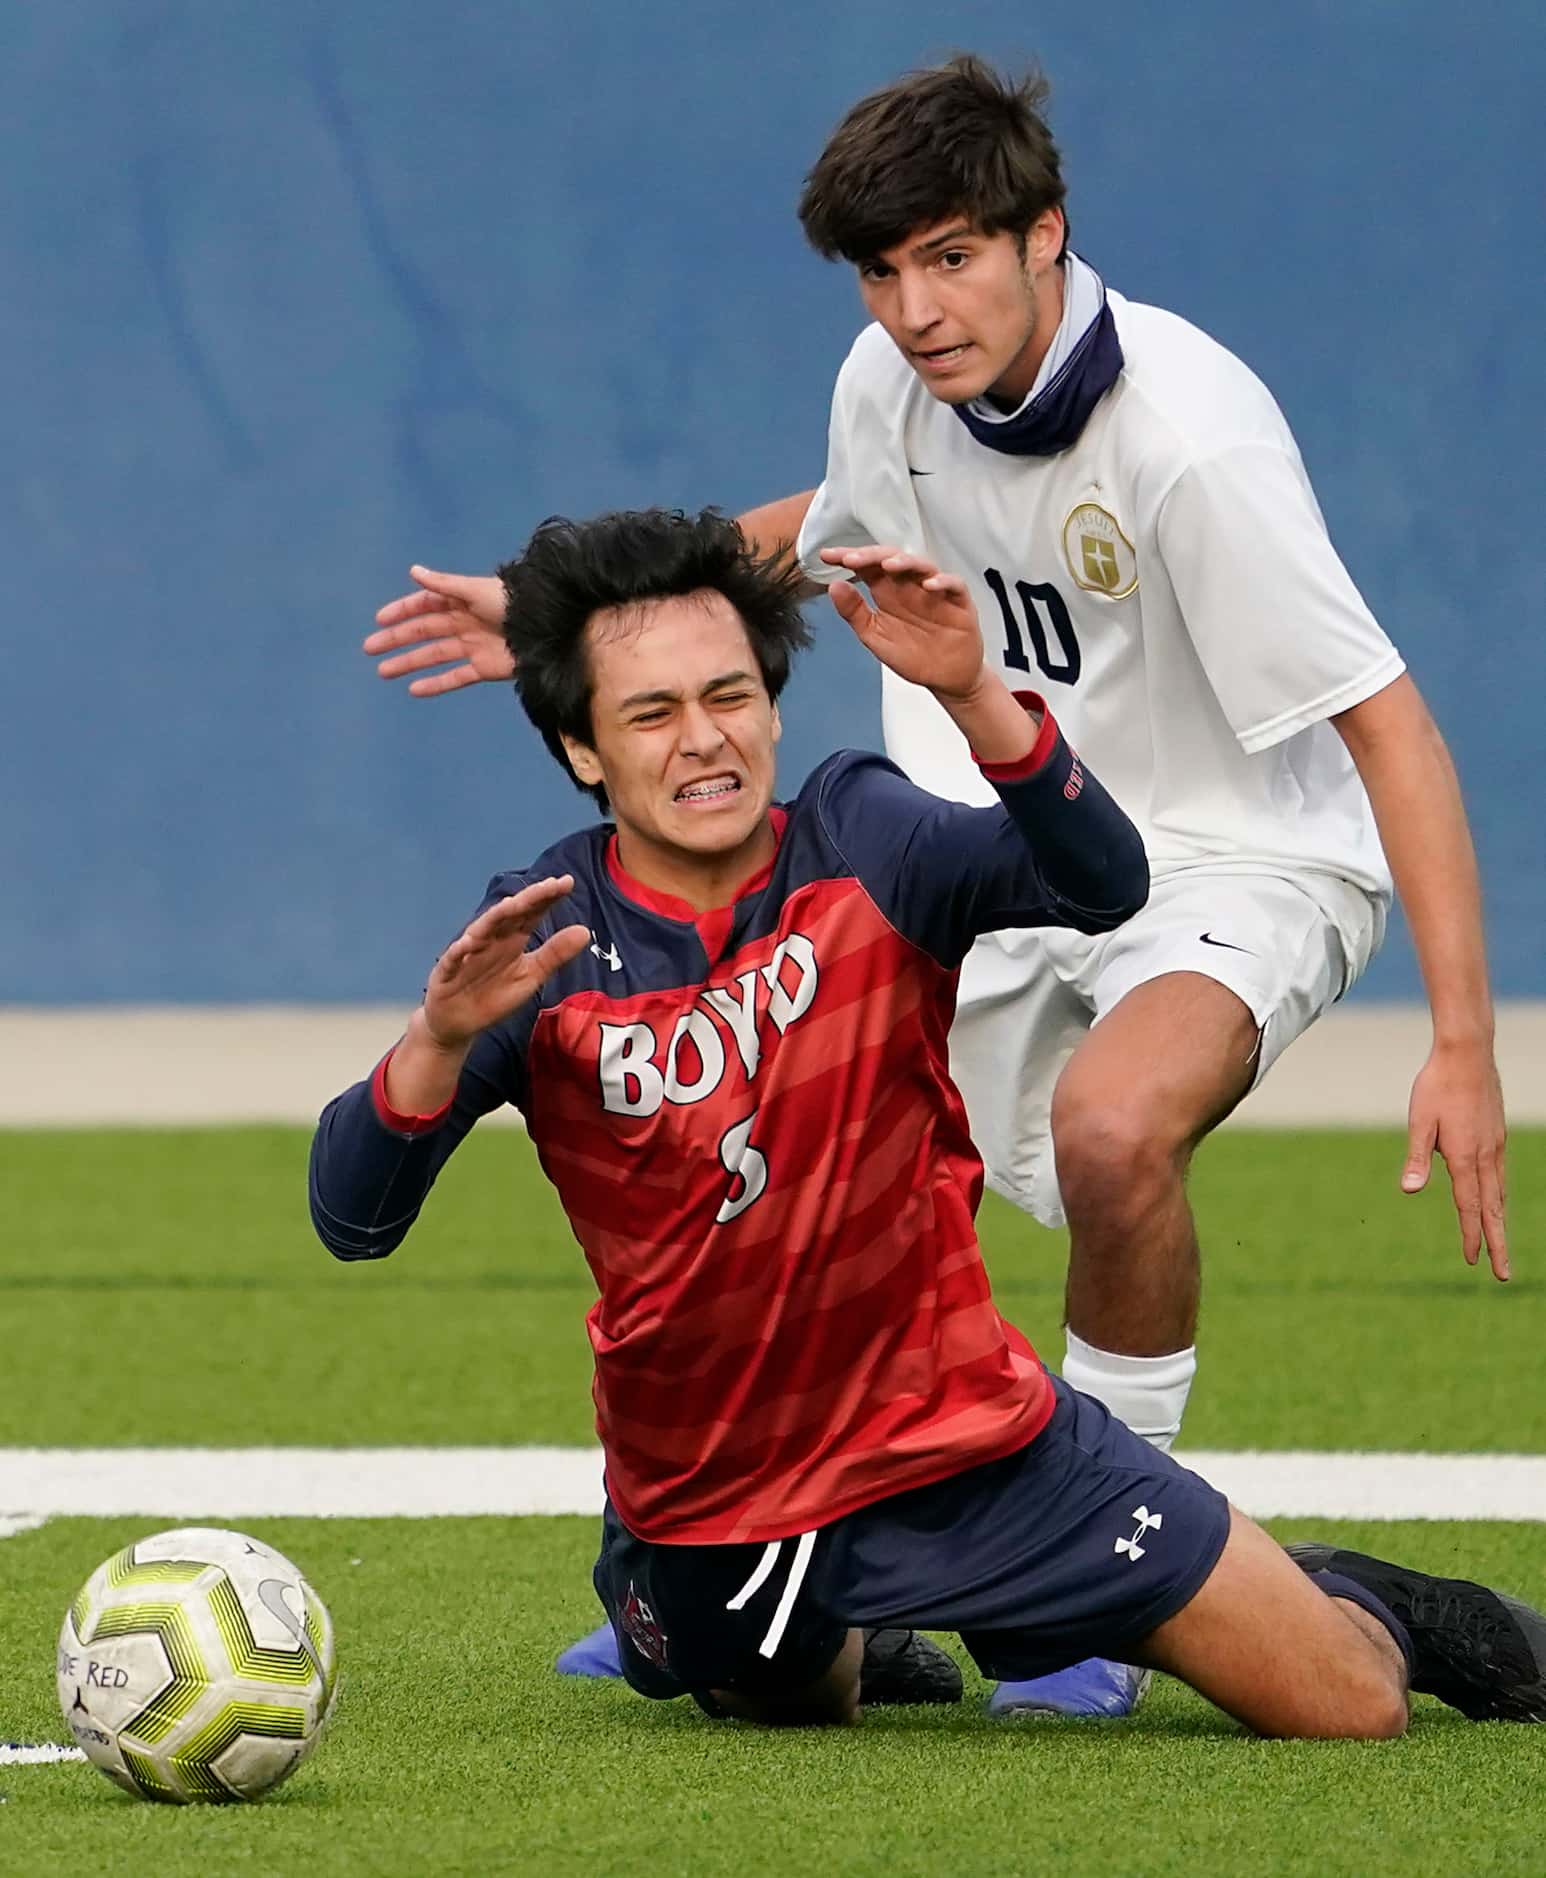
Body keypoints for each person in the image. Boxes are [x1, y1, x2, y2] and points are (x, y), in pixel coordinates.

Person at [360, 57, 1509, 1718]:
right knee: (772, 1124)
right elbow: (821, 534)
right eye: (883, 272)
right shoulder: (890, 383)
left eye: (953, 256)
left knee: (1117, 1132)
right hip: (998, 824)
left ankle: (1094, 1603)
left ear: (1048, 237)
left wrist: (1460, 1042)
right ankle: (744, 1562)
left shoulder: (1187, 443)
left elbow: (1388, 725)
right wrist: (557, 613)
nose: (915, 307)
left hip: (1233, 858)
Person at [314, 507, 1546, 1741]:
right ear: (583, 748)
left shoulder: (865, 836)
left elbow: (1101, 882)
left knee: (1346, 1708)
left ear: (774, 707)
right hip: (716, 1494)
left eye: (729, 695)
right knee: (787, 1708)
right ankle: (866, 1629)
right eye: (651, 714)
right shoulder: (545, 939)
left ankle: (1359, 1596)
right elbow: (350, 1220)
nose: (705, 741)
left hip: (970, 1438)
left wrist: (978, 700)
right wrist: (436, 1043)